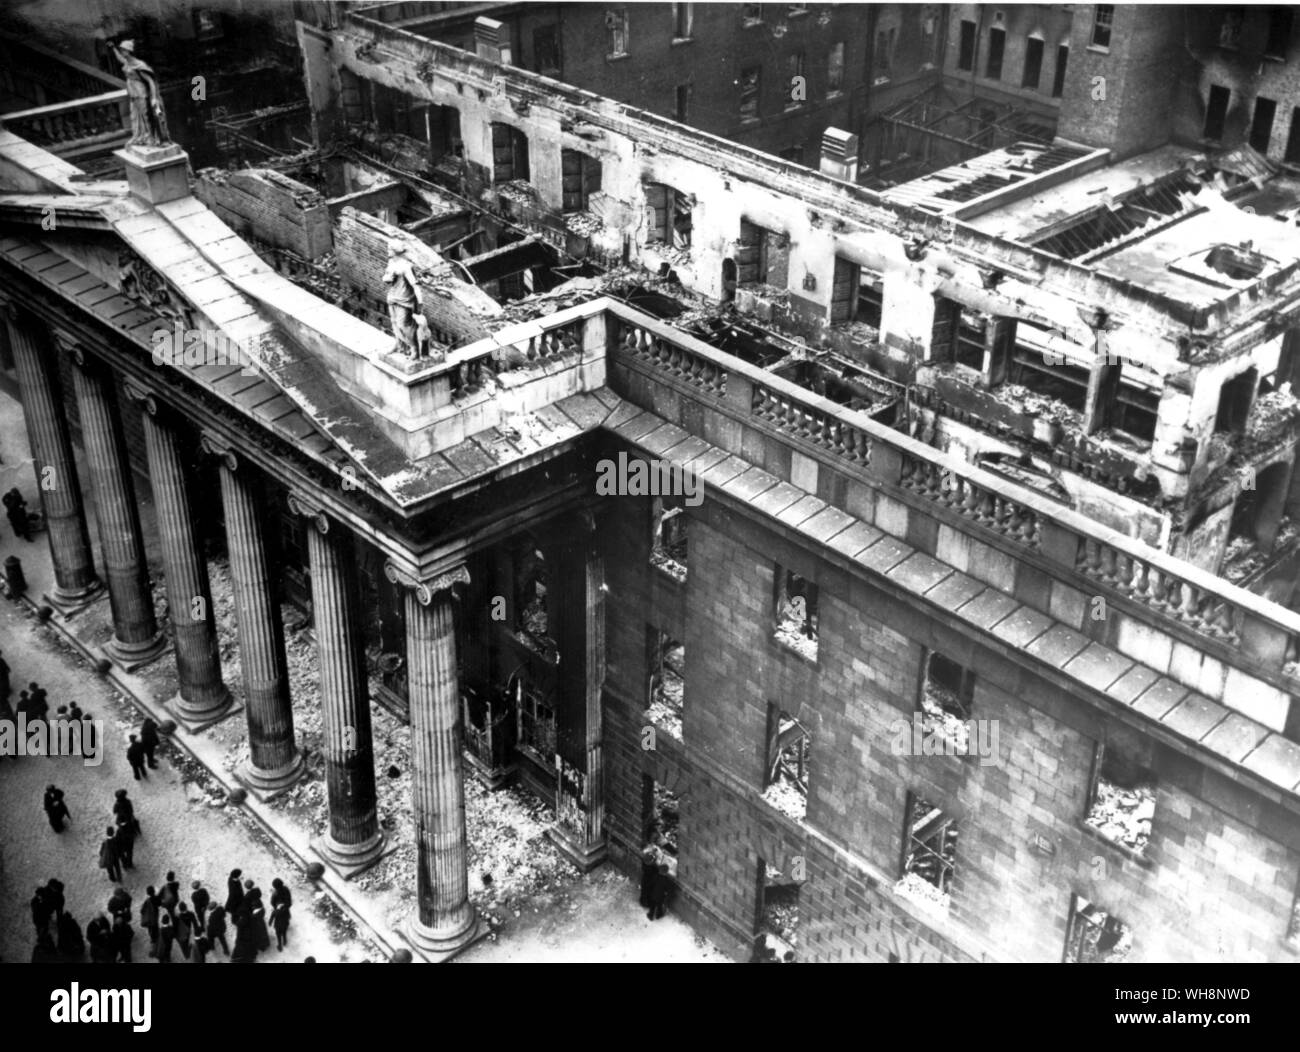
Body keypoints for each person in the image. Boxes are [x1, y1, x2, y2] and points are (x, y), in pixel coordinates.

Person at [110, 39, 170, 147]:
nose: (122, 52)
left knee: (146, 116)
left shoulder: (138, 64)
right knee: (137, 116)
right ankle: (143, 135)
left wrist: (154, 97)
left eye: (123, 50)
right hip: (133, 93)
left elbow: (151, 81)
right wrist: (113, 48)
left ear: (128, 51)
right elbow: (120, 59)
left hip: (141, 92)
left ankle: (152, 137)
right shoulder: (127, 62)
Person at [140, 888, 160, 954]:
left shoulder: (147, 901)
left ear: (148, 893)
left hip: (149, 920)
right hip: (155, 917)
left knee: (151, 931)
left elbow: (142, 911)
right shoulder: (156, 898)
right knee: (155, 927)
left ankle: (153, 943)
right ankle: (157, 938)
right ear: (154, 891)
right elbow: (159, 904)